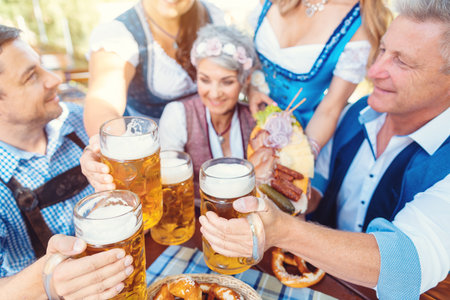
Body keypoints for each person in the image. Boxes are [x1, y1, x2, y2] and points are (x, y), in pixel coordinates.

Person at [199, 0, 450, 298]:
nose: (373, 70)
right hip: (321, 280)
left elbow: (406, 267)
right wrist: (287, 194)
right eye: (382, 50)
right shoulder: (355, 115)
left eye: (402, 62)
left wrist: (283, 230)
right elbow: (316, 187)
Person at [0, 25, 132, 298]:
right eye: (31, 77)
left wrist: (118, 160)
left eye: (42, 66)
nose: (54, 79)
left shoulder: (78, 120)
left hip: (130, 277)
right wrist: (48, 280)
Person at [81, 24, 257, 197]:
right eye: (205, 80)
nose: (214, 93)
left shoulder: (254, 117)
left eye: (227, 82)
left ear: (245, 80)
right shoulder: (179, 114)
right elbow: (165, 183)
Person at [247, 0, 392, 157]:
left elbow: (330, 108)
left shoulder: (358, 25)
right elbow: (250, 59)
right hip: (244, 112)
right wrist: (251, 89)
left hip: (298, 134)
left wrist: (303, 156)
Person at [83, 0, 224, 137]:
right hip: (154, 147)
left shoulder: (212, 15)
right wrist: (116, 148)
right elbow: (102, 104)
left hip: (213, 136)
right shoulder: (119, 34)